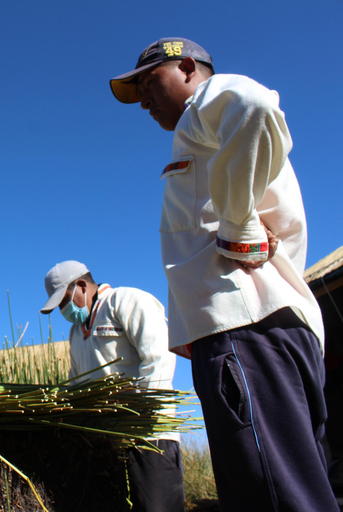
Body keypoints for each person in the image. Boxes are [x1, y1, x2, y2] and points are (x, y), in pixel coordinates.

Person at [109, 38, 337, 511]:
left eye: (151, 83)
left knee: (270, 493)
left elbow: (254, 106)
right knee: (300, 489)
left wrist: (238, 227)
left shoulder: (206, 103)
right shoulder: (208, 133)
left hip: (244, 331)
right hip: (267, 328)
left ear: (189, 68)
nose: (145, 100)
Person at [41, 260, 184, 512]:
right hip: (107, 444)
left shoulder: (126, 301)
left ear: (82, 286)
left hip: (148, 437)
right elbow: (77, 385)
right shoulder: (76, 333)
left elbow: (158, 356)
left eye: (64, 301)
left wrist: (141, 407)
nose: (64, 310)